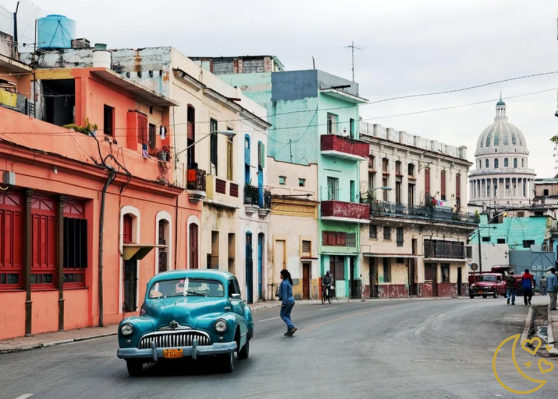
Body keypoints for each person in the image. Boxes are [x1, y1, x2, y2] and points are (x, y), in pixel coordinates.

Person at [278, 269, 296, 336]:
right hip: (292, 300)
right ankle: (289, 330)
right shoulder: (288, 281)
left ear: (283, 275)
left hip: (287, 300)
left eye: (281, 274)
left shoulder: (284, 283)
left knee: (282, 315)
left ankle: (292, 326)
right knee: (287, 315)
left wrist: (283, 302)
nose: (280, 276)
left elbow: (285, 294)